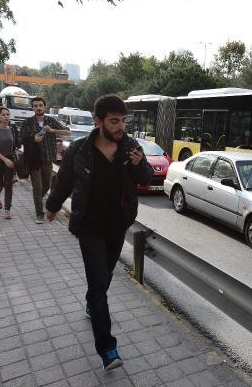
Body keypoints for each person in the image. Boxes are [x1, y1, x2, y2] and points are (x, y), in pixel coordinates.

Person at [46, 94, 153, 370]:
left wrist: (141, 164)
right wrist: (52, 205)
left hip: (117, 227)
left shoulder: (131, 147)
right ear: (99, 122)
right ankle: (108, 350)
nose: (121, 127)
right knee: (98, 286)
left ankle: (92, 303)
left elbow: (146, 179)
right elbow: (65, 180)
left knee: (104, 278)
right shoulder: (80, 150)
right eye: (114, 121)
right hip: (90, 228)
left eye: (123, 121)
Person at [20, 96, 70, 224]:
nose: (38, 108)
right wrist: (33, 139)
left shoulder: (50, 120)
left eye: (40, 105)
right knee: (37, 186)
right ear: (32, 108)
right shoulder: (28, 122)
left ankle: (37, 200)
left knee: (47, 185)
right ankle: (39, 212)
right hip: (34, 159)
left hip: (48, 158)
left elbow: (67, 132)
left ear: (44, 106)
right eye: (35, 106)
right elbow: (21, 138)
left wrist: (52, 130)